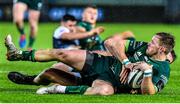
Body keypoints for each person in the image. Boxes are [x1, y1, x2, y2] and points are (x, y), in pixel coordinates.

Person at [5, 32, 175, 95]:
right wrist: (125, 61)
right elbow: (110, 42)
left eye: (153, 43)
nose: (149, 44)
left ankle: (55, 89)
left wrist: (146, 73)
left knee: (103, 91)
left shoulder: (162, 70)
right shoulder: (143, 46)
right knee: (62, 54)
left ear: (162, 50)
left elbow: (149, 93)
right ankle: (18, 54)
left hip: (110, 82)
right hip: (101, 64)